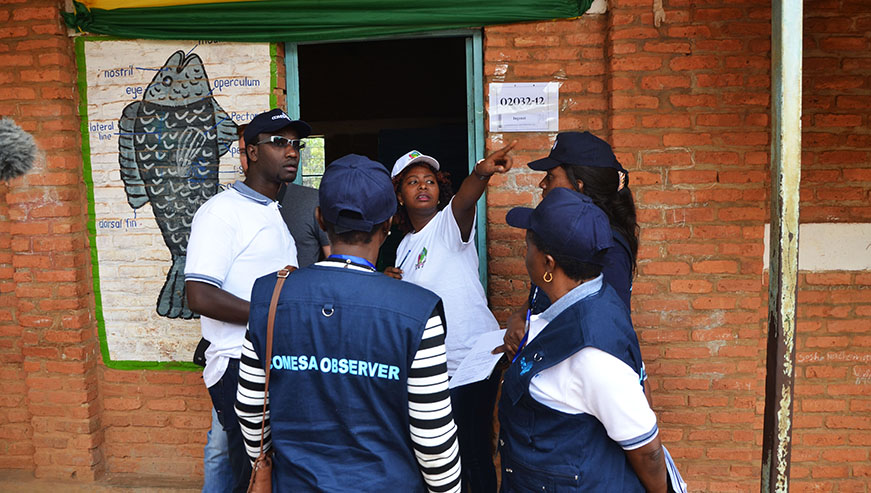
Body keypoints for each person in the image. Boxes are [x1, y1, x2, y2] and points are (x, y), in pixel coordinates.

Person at [235, 154, 462, 492]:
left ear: (320, 218)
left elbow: (251, 410)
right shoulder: (418, 311)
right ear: (387, 223)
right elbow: (433, 437)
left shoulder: (270, 296)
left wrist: (262, 459)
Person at [498, 187, 670, 492]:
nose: (526, 255)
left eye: (528, 246)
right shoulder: (589, 300)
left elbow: (648, 451)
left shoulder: (592, 353)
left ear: (548, 264)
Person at [185, 108, 308, 492]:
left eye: (295, 144)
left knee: (268, 473)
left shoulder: (272, 211)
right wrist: (272, 315)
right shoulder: (221, 213)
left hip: (274, 361)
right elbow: (199, 295)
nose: (291, 152)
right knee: (248, 476)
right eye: (278, 143)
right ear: (250, 152)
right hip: (240, 365)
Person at [384, 145, 514, 492]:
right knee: (443, 454)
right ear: (399, 195)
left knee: (470, 452)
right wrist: (389, 283)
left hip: (471, 356)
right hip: (437, 363)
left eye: (430, 180)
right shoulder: (404, 246)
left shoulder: (448, 222)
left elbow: (467, 199)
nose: (423, 186)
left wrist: (481, 173)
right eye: (412, 182)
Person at [495, 131, 639, 360]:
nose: (542, 184)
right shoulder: (566, 231)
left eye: (551, 177)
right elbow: (550, 290)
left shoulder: (606, 249)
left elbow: (604, 334)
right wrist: (520, 316)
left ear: (578, 186)